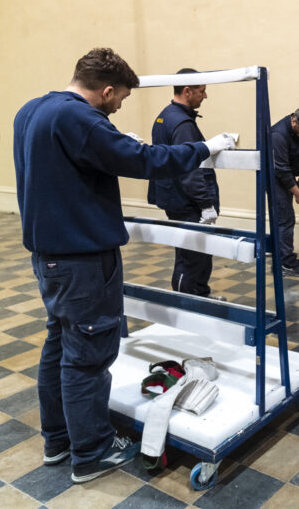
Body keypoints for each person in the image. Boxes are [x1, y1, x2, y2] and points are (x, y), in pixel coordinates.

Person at [13, 48, 237, 484]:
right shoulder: (81, 119)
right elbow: (148, 162)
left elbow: (76, 161)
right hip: (83, 260)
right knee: (88, 357)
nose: (119, 107)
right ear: (107, 90)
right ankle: (92, 451)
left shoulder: (32, 111)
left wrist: (112, 141)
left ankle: (58, 440)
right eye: (120, 99)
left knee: (59, 346)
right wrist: (205, 148)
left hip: (50, 258)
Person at [147, 69, 220, 297]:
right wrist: (206, 204)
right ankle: (186, 304)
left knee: (196, 253)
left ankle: (200, 299)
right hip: (187, 202)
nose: (205, 96)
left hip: (176, 198)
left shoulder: (166, 116)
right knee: (192, 258)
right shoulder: (182, 123)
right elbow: (189, 168)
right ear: (187, 91)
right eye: (202, 91)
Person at [271, 107, 299, 276]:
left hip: (288, 173)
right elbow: (281, 170)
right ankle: (285, 264)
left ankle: (282, 258)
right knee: (285, 219)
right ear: (293, 121)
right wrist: (298, 194)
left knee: (285, 219)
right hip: (274, 177)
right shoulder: (278, 135)